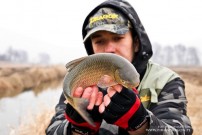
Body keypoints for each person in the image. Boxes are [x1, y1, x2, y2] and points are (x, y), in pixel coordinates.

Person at [46, 0, 193, 134]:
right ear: (90, 47)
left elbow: (181, 130)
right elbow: (52, 130)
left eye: (117, 38)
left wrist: (140, 122)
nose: (109, 48)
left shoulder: (166, 81)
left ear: (136, 42)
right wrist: (78, 128)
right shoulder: (78, 83)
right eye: (99, 41)